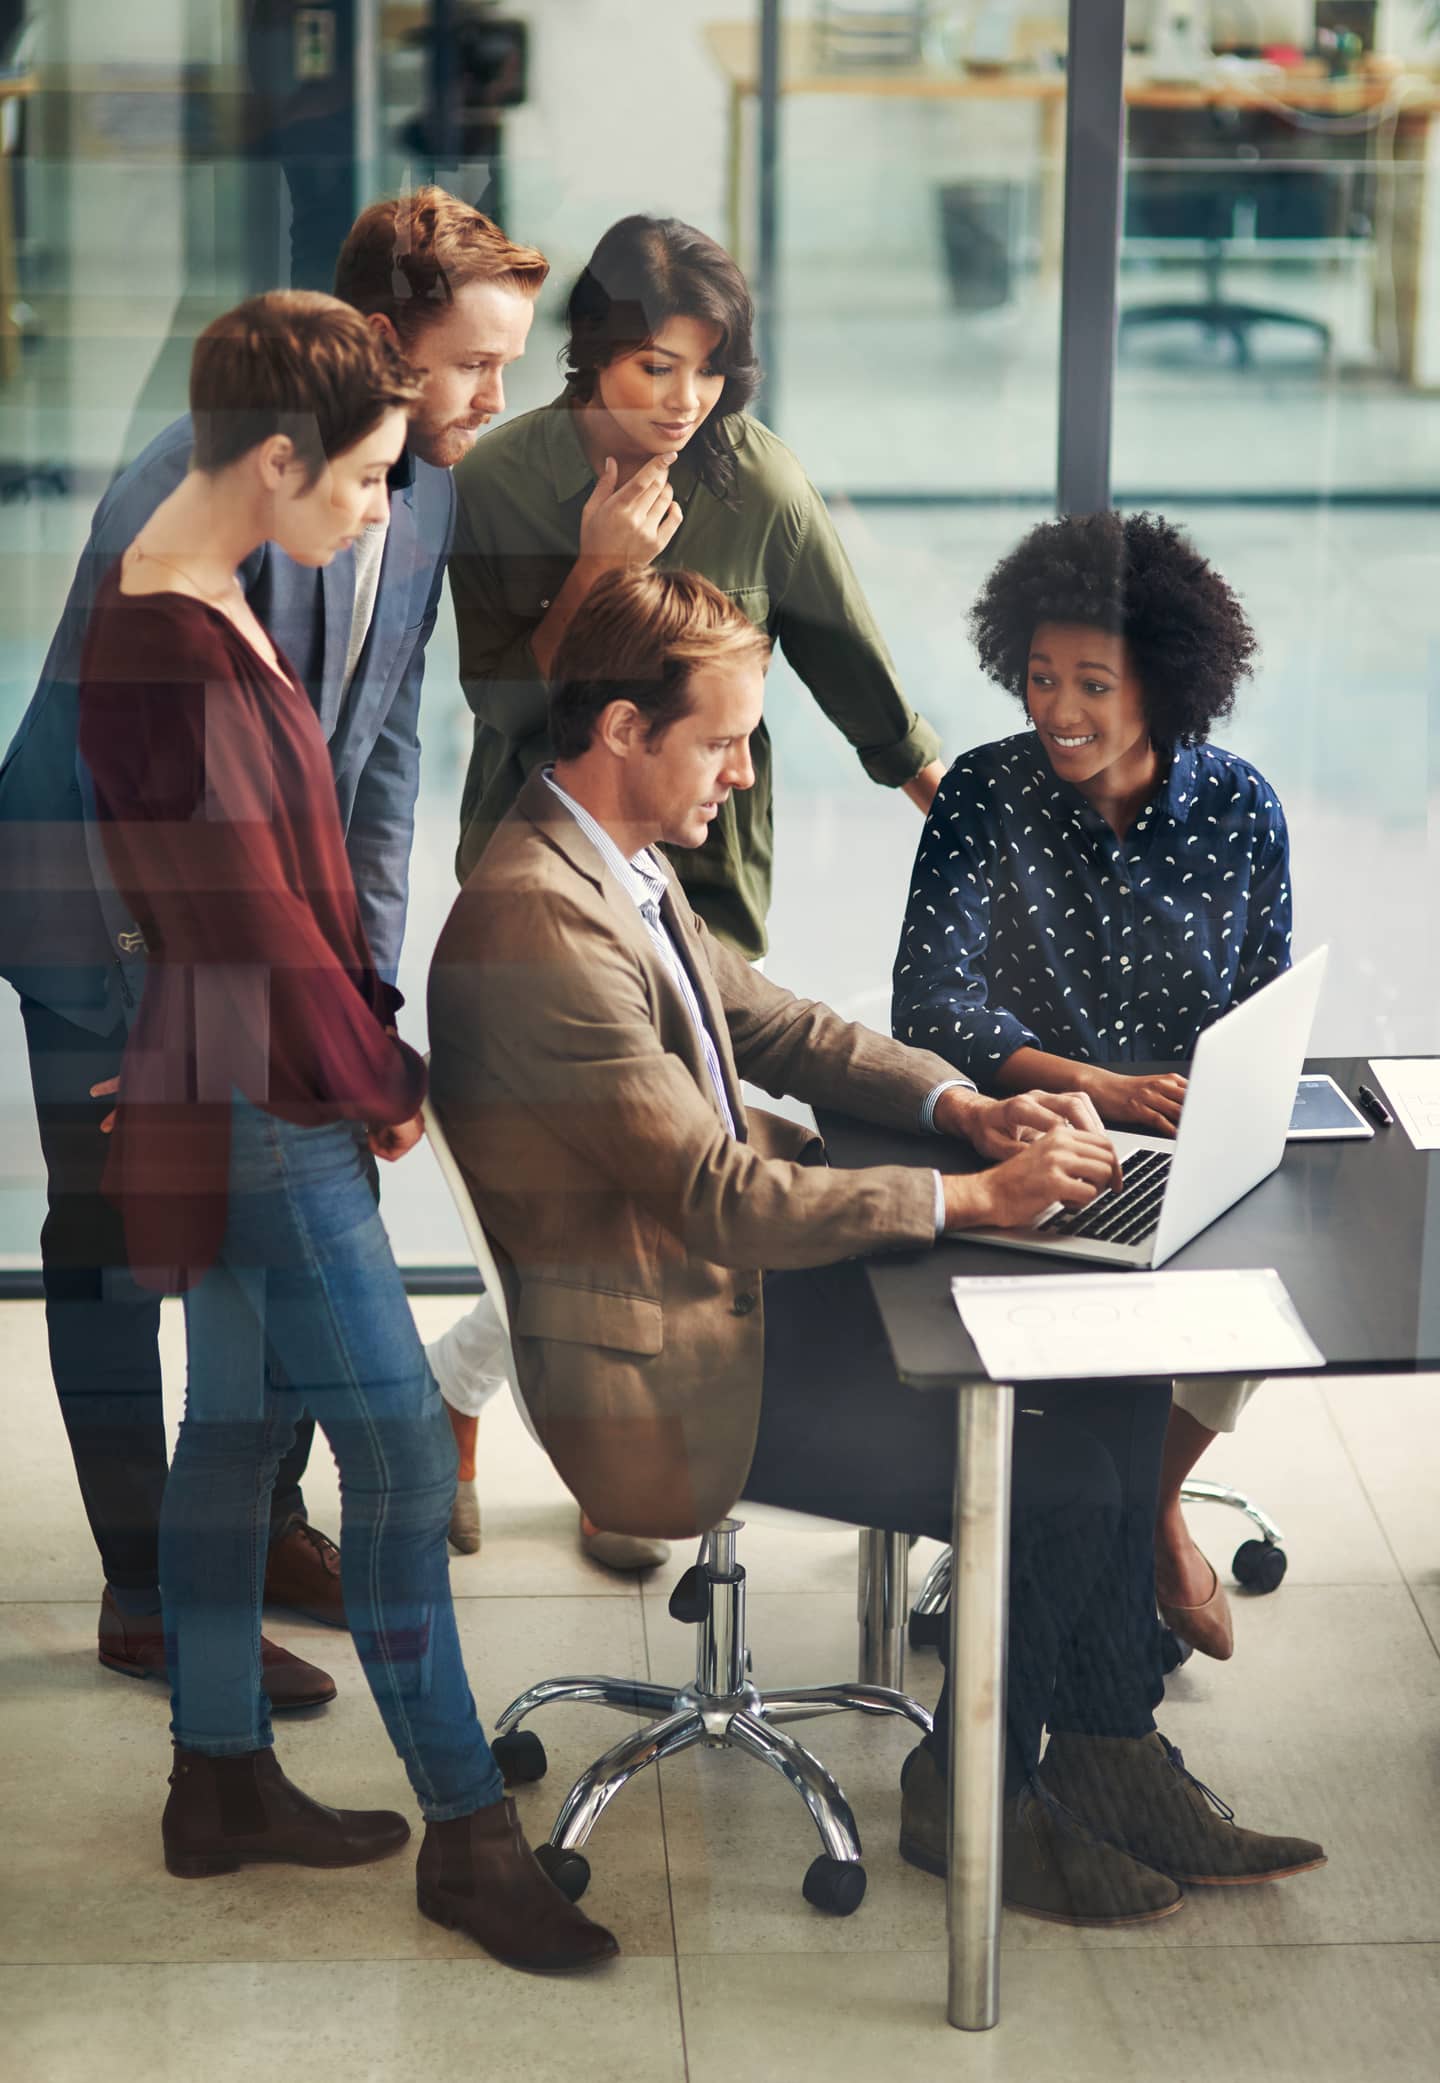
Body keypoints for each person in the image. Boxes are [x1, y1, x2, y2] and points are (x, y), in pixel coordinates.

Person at [428, 565, 1325, 1929]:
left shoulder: (606, 861)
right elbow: (720, 1195)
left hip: (732, 1296)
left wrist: (959, 1103)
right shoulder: (544, 925)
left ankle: (1106, 1752)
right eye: (724, 740)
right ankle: (976, 1801)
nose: (741, 773)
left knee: (1120, 1372)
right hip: (671, 1373)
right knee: (1071, 1468)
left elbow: (779, 1023)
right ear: (622, 730)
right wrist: (970, 1198)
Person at [75, 292, 615, 1975]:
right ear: (283, 457)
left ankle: (220, 1780)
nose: (385, 508)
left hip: (237, 1072)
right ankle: (468, 1830)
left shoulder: (196, 585)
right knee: (387, 1448)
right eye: (371, 477)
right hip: (261, 1100)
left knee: (239, 1433)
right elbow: (248, 924)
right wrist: (386, 1083)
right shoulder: (164, 639)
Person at [0, 187, 546, 1688]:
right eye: (474, 365)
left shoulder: (415, 482)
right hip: (104, 923)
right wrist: (155, 1021)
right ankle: (147, 1592)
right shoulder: (185, 500)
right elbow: (143, 794)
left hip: (253, 925)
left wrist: (361, 982)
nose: (498, 400)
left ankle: (251, 1528)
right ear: (379, 345)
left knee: (272, 1226)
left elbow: (378, 749)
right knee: (118, 1247)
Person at [437, 211, 947, 1567]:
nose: (685, 402)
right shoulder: (501, 484)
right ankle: (623, 1440)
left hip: (705, 868)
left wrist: (946, 802)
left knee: (661, 1169)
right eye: (658, 367)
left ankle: (561, 1405)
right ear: (594, 354)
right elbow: (497, 701)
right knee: (626, 1178)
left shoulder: (753, 480)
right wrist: (600, 569)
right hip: (557, 866)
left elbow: (850, 661)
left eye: (711, 372)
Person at [892, 511, 1292, 1660]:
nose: (1056, 709)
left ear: (1163, 685)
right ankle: (1117, 1529)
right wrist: (1098, 1086)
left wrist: (1216, 1107)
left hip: (1184, 1142)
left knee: (1266, 1286)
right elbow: (933, 1006)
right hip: (1020, 1141)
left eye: (1092, 684)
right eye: (1038, 676)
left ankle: (1149, 1497)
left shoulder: (1241, 807)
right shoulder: (981, 794)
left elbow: (1257, 1002)